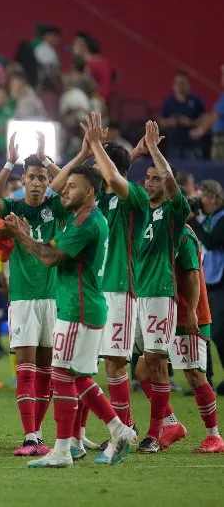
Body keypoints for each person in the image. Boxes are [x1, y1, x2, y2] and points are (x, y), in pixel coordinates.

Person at [0, 164, 137, 468]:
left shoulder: (85, 222)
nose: (64, 189)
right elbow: (52, 244)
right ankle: (111, 431)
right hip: (86, 305)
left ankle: (70, 447)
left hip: (78, 307)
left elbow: (50, 258)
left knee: (61, 374)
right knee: (74, 376)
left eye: (71, 186)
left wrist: (20, 235)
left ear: (89, 191)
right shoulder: (84, 219)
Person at [50, 112, 149, 450]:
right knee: (83, 365)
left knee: (115, 363)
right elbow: (67, 187)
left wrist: (96, 146)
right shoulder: (96, 202)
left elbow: (115, 175)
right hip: (93, 290)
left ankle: (123, 430)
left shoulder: (132, 197)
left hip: (120, 289)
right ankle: (76, 438)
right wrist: (87, 155)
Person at [0, 133, 62, 457]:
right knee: (26, 368)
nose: (36, 183)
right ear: (23, 180)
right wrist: (9, 162)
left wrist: (45, 159)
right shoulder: (14, 208)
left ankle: (39, 433)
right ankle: (29, 435)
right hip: (24, 297)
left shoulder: (57, 206)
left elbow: (71, 183)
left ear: (47, 182)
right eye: (31, 177)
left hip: (54, 298)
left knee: (48, 370)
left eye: (42, 178)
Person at [136, 224, 223, 453]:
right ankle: (171, 424)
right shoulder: (158, 229)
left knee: (194, 375)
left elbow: (193, 274)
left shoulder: (182, 234)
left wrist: (192, 311)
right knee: (144, 370)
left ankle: (214, 436)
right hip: (165, 310)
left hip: (188, 315)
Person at [133, 121, 191, 453]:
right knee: (142, 366)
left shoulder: (172, 213)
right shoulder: (138, 214)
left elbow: (171, 184)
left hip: (158, 294)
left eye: (157, 179)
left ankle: (154, 435)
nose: (151, 182)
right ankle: (170, 423)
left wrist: (153, 150)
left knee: (155, 363)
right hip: (135, 295)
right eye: (148, 178)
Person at [187, 180, 224, 392]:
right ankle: (205, 378)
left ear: (212, 198)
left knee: (218, 332)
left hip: (220, 284)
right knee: (204, 329)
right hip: (207, 280)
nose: (198, 201)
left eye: (201, 196)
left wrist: (193, 220)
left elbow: (211, 241)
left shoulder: (221, 219)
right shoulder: (209, 218)